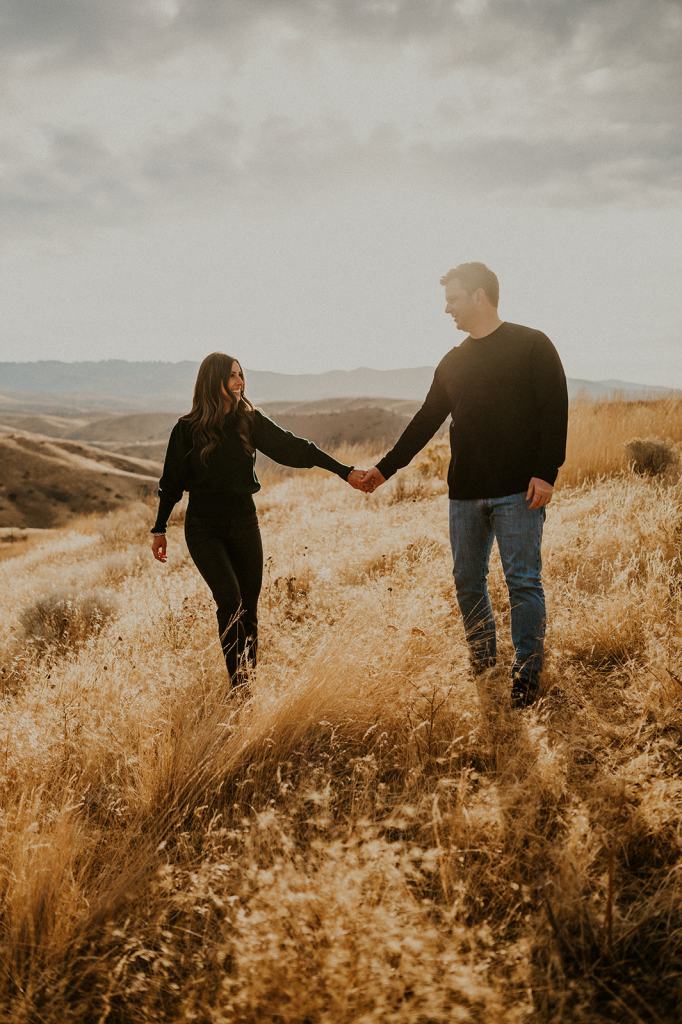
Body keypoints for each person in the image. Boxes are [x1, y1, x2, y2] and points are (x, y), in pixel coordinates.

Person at [354, 262, 568, 708]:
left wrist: (547, 473)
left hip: (518, 491)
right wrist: (385, 468)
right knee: (468, 582)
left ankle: (527, 678)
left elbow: (554, 410)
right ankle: (485, 667)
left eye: (452, 298)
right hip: (465, 493)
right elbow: (425, 421)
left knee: (522, 582)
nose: (446, 308)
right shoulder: (453, 361)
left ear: (479, 296)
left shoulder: (532, 345)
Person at [151, 352, 364, 689]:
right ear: (213, 381)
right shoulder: (187, 429)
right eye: (232, 376)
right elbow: (171, 482)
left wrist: (345, 472)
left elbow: (294, 448)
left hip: (244, 522)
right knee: (230, 602)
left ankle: (248, 683)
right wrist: (160, 528)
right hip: (203, 527)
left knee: (249, 608)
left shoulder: (249, 420)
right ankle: (239, 684)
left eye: (240, 375)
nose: (239, 382)